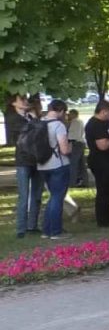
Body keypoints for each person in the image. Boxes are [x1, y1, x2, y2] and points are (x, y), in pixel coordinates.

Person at [36, 100, 72, 240]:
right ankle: (56, 231)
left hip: (42, 165)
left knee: (52, 197)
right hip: (58, 164)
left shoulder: (39, 123)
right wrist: (70, 147)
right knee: (57, 197)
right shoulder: (58, 125)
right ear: (61, 110)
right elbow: (63, 149)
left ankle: (46, 230)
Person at [10, 94, 43, 239]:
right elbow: (27, 132)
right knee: (24, 195)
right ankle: (21, 229)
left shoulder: (31, 117)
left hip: (36, 160)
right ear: (14, 103)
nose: (25, 102)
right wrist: (35, 121)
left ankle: (32, 225)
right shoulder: (13, 119)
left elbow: (40, 132)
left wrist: (34, 118)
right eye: (21, 99)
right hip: (23, 161)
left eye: (25, 99)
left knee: (36, 195)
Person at [85, 101, 109, 227]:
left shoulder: (104, 123)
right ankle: (103, 219)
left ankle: (107, 216)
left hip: (108, 161)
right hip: (101, 162)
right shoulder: (96, 125)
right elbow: (103, 146)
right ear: (103, 111)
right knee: (104, 190)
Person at [66, 109, 88, 187]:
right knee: (81, 163)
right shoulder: (80, 121)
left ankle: (72, 182)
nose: (68, 116)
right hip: (81, 142)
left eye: (70, 114)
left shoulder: (74, 122)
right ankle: (84, 180)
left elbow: (71, 134)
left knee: (73, 163)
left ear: (74, 114)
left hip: (75, 143)